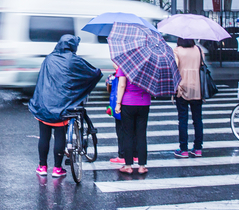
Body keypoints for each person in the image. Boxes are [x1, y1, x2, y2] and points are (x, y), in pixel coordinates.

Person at [28, 35, 102, 178]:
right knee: (60, 135)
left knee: (44, 137)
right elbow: (92, 73)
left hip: (43, 104)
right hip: (61, 106)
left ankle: (42, 166)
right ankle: (57, 168)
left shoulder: (49, 58)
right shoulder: (73, 60)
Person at [115, 66, 151, 174]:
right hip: (144, 102)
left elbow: (122, 85)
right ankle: (142, 166)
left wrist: (118, 103)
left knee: (128, 134)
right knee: (141, 134)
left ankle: (128, 165)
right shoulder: (149, 67)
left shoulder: (125, 65)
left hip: (128, 102)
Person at [173, 38, 204, 158]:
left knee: (183, 119)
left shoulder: (177, 51)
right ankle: (198, 148)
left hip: (182, 88)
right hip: (197, 88)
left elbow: (174, 68)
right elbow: (201, 65)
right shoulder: (198, 50)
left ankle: (183, 149)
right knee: (197, 119)